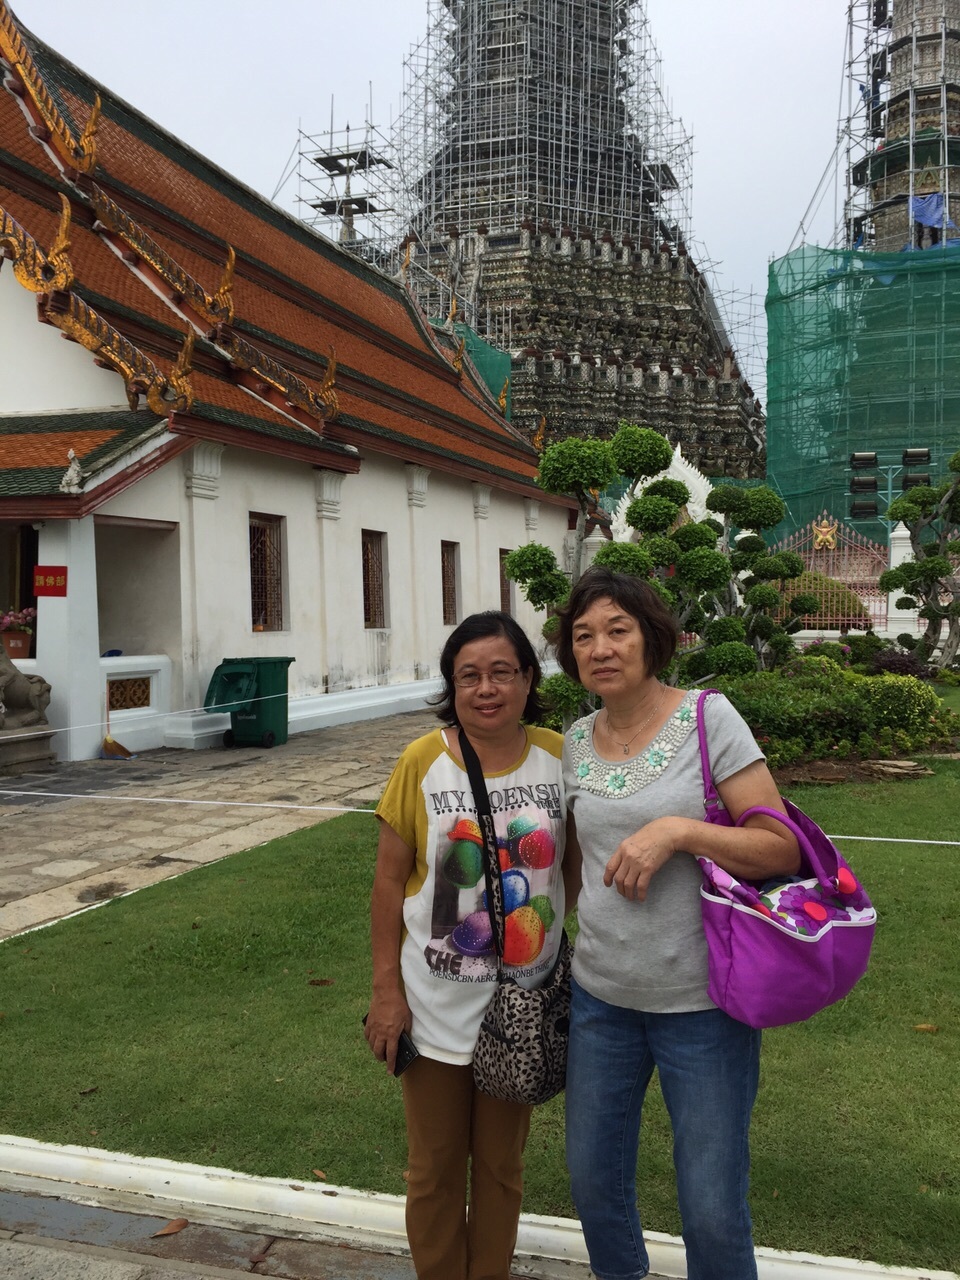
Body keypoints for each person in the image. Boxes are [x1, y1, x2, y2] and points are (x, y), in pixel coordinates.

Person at [555, 567, 800, 1280]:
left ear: (651, 637)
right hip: (600, 1001)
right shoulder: (573, 741)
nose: (601, 648)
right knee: (594, 1189)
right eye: (583, 636)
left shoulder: (707, 719)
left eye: (617, 630)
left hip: (702, 1006)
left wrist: (679, 831)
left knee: (712, 1211)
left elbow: (777, 846)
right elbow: (573, 867)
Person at [364, 611, 570, 1280]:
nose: (487, 689)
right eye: (469, 676)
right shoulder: (423, 761)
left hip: (522, 1008)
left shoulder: (559, 756)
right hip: (433, 1007)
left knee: (503, 1170)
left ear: (529, 678)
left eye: (502, 672)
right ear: (452, 687)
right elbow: (389, 883)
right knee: (433, 1170)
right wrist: (385, 995)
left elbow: (570, 874)